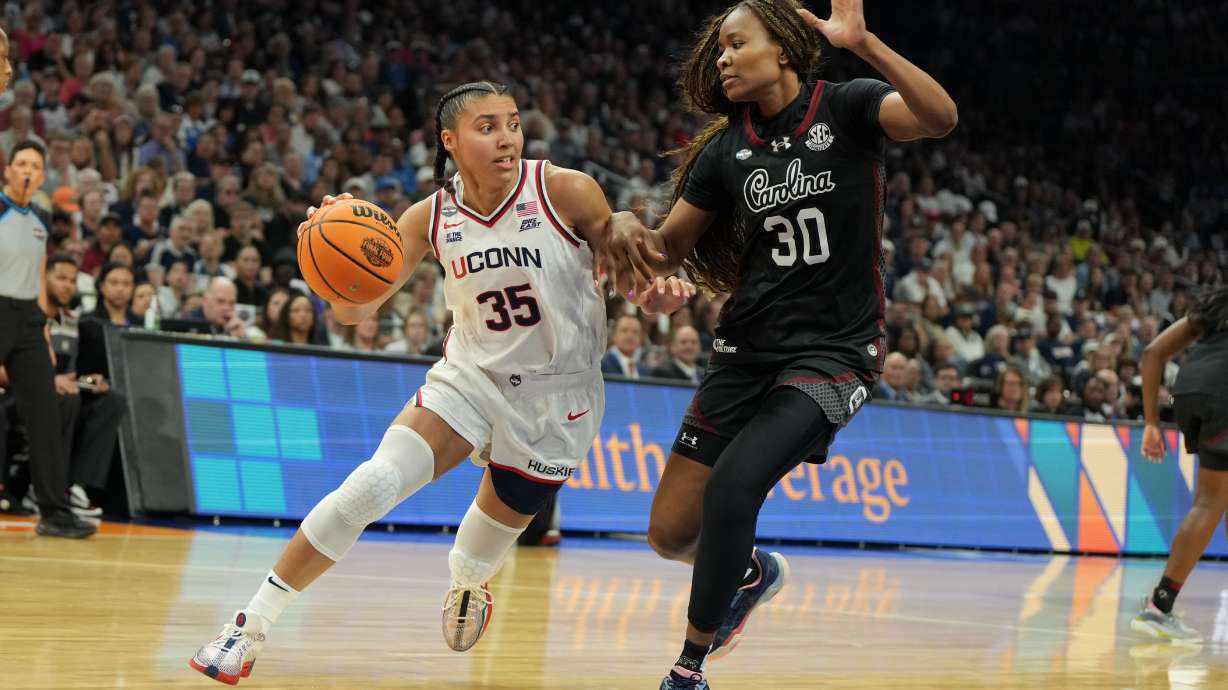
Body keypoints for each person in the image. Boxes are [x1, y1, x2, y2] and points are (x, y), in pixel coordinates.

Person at [189, 81, 694, 684]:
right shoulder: (430, 217)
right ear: (450, 141)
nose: (506, 137)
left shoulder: (565, 190)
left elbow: (635, 281)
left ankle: (469, 583)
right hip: (469, 379)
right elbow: (357, 312)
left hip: (557, 401)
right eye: (487, 126)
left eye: (511, 122)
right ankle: (249, 626)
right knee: (369, 487)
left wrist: (658, 292)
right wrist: (326, 259)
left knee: (474, 550)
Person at [600, 2, 956, 687]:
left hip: (835, 352)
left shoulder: (848, 107)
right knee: (670, 533)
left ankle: (688, 668)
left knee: (734, 489)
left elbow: (939, 118)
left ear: (784, 49)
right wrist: (621, 225)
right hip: (746, 349)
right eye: (720, 50)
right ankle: (754, 571)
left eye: (738, 44)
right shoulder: (724, 150)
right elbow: (669, 246)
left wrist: (865, 44)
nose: (723, 58)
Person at [0, 141, 96, 538]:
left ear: (41, 177)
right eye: (20, 163)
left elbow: (39, 277)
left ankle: (54, 513)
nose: (26, 171)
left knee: (45, 414)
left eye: (34, 166)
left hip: (28, 320)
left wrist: (41, 325)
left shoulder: (40, 218)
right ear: (8, 170)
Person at [1131, 287, 1228, 643]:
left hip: (1189, 389)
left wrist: (1152, 423)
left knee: (1215, 498)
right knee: (1211, 502)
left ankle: (1159, 608)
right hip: (1224, 391)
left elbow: (1153, 351)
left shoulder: (1218, 303)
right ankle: (1159, 607)